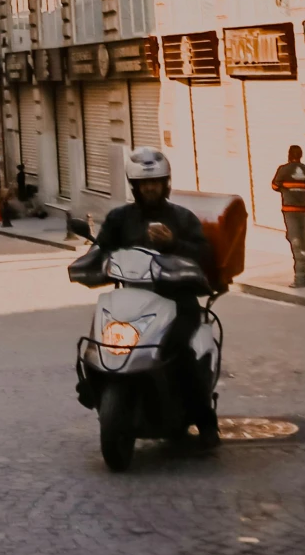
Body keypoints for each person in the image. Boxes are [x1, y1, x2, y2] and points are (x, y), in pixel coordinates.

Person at [88, 145, 220, 445]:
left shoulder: (182, 219)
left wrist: (174, 243)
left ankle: (205, 420)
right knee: (98, 340)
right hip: (131, 298)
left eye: (156, 182)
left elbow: (205, 256)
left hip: (176, 300)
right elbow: (101, 248)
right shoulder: (119, 218)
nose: (150, 188)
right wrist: (89, 261)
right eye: (144, 183)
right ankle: (92, 387)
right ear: (134, 186)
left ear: (166, 183)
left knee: (181, 352)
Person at [271, 143, 305, 289]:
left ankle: (299, 277)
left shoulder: (283, 170)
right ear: (301, 155)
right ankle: (303, 272)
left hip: (290, 209)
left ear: (289, 155)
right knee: (303, 239)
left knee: (294, 239)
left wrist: (287, 189)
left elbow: (274, 186)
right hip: (304, 209)